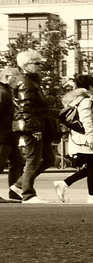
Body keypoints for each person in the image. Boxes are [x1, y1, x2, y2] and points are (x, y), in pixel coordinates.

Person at [8, 49, 56, 203]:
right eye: (36, 63)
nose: (40, 66)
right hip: (32, 127)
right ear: (26, 65)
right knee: (33, 160)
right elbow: (25, 107)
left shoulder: (32, 81)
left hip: (38, 125)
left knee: (49, 158)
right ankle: (28, 194)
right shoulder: (25, 81)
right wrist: (34, 128)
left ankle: (19, 185)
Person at [54, 73, 93, 204]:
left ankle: (67, 185)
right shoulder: (86, 101)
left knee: (92, 166)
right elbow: (86, 120)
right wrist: (91, 138)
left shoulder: (77, 100)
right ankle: (91, 195)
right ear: (90, 86)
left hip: (80, 139)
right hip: (85, 139)